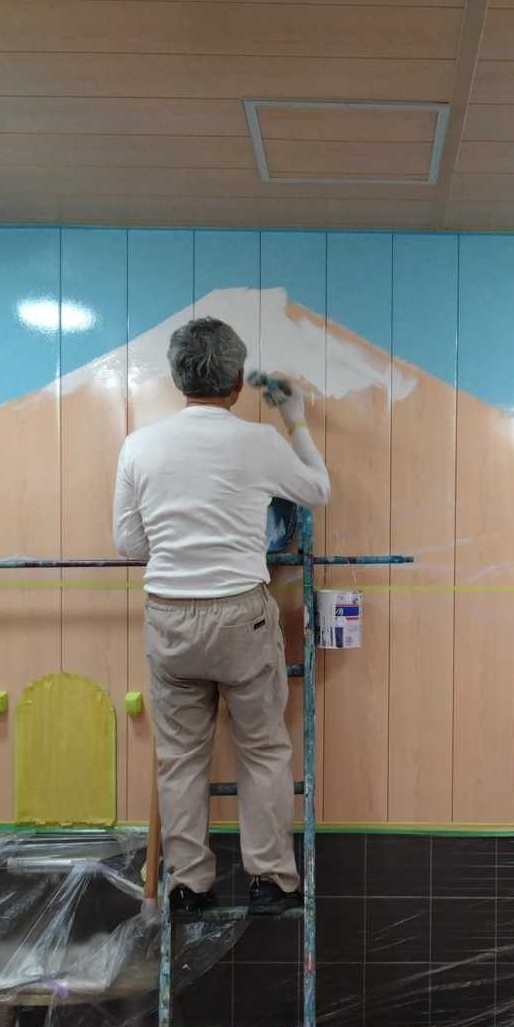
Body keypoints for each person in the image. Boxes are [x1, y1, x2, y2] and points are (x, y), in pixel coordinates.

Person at [112, 318, 331, 918]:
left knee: (181, 757)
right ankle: (272, 880)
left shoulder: (140, 445)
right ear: (237, 382)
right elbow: (317, 491)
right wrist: (295, 419)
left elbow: (129, 543)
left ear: (176, 378)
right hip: (241, 616)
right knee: (262, 748)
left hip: (169, 616)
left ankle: (188, 885)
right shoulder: (259, 442)